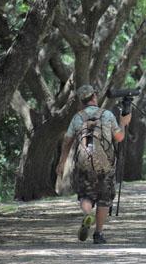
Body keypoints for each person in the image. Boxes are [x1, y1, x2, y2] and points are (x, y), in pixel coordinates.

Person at [56, 83, 131, 244]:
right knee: (104, 199)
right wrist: (123, 123)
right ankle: (98, 234)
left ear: (81, 101)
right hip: (105, 164)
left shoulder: (77, 117)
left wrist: (61, 162)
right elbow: (119, 138)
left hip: (84, 164)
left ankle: (87, 214)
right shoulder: (107, 115)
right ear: (94, 97)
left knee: (86, 195)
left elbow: (67, 141)